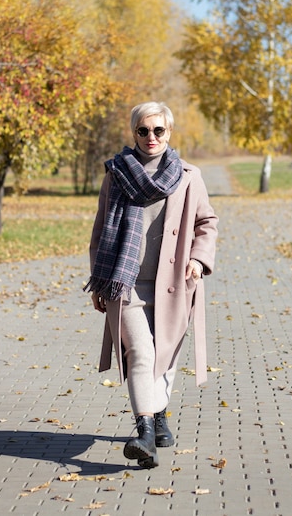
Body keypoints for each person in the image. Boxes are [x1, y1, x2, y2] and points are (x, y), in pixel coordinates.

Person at [85, 101, 218, 469]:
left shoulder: (188, 175)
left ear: (169, 132)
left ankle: (159, 415)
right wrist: (99, 278)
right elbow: (99, 231)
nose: (151, 137)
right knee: (141, 353)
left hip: (174, 283)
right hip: (124, 283)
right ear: (134, 134)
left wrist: (198, 258)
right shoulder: (116, 174)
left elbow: (207, 223)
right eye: (143, 131)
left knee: (167, 355)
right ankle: (145, 430)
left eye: (158, 130)